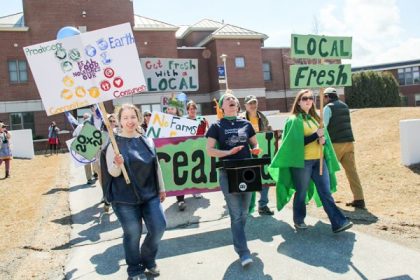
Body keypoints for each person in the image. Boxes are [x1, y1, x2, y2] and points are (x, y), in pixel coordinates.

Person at [268, 89, 353, 233]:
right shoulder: (294, 120)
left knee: (325, 192)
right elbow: (293, 144)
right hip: (302, 163)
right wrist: (315, 136)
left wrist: (323, 140)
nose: (308, 100)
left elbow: (321, 139)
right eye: (304, 98)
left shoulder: (315, 119)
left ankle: (338, 222)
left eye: (310, 98)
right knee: (301, 192)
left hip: (319, 161)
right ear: (299, 102)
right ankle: (299, 220)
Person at [101, 103, 166, 280]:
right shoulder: (113, 143)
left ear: (138, 118)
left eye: (132, 117)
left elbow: (156, 166)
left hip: (150, 194)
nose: (129, 121)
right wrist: (117, 163)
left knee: (159, 227)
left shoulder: (147, 140)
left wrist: (161, 188)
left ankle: (148, 259)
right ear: (119, 121)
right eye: (125, 118)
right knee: (133, 232)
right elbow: (112, 172)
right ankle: (134, 269)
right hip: (124, 199)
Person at [206, 91, 261, 267]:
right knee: (236, 215)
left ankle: (239, 238)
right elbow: (210, 150)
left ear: (238, 106)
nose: (231, 101)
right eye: (227, 99)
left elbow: (255, 143)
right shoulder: (216, 126)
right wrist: (229, 152)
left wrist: (256, 149)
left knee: (244, 213)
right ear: (222, 107)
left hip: (247, 172)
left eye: (234, 100)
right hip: (227, 173)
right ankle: (243, 252)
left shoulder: (246, 123)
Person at [323, 87, 365, 209]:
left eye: (324, 97)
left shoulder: (328, 108)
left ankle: (328, 199)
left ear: (327, 96)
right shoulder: (345, 106)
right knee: (352, 172)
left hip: (335, 144)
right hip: (349, 143)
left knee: (328, 171)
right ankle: (359, 198)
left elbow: (324, 126)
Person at [241, 95, 274, 215]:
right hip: (247, 154)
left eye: (254, 103)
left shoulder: (263, 117)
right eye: (250, 103)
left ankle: (263, 205)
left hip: (262, 153)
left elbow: (269, 132)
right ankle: (248, 208)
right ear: (245, 105)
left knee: (265, 178)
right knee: (248, 179)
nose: (253, 105)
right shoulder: (240, 118)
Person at [166, 99, 189, 211]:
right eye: (169, 108)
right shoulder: (162, 122)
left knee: (182, 173)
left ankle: (182, 198)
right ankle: (179, 198)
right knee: (174, 174)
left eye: (172, 108)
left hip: (182, 151)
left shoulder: (183, 121)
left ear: (176, 110)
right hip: (169, 152)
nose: (170, 110)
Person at [95, 113, 118, 213]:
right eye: (110, 121)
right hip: (104, 161)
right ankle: (107, 200)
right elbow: (96, 148)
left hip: (116, 161)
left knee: (117, 180)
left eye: (114, 121)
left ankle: (114, 199)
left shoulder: (118, 132)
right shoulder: (100, 134)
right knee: (107, 181)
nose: (112, 123)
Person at [186, 100, 208, 199]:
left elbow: (207, 132)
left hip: (199, 148)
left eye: (194, 108)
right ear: (187, 110)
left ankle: (197, 189)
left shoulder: (202, 120)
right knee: (191, 169)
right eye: (191, 109)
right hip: (188, 148)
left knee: (199, 169)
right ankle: (192, 189)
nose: (193, 110)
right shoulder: (183, 121)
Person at [73, 112, 95, 184]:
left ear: (83, 118)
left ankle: (89, 178)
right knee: (94, 161)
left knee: (87, 163)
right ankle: (95, 173)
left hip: (84, 146)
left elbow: (74, 135)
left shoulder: (79, 126)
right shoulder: (92, 124)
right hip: (92, 144)